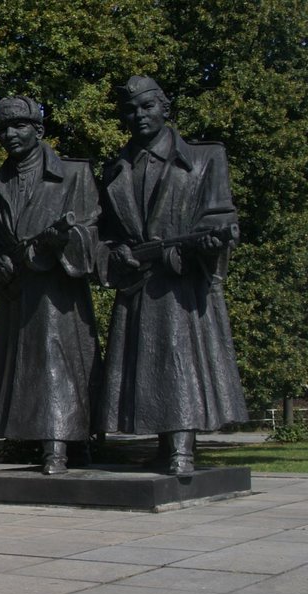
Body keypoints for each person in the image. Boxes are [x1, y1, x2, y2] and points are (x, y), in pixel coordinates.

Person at [97, 76, 248, 475]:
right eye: (130, 110)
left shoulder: (204, 157)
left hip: (181, 284)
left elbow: (219, 216)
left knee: (180, 362)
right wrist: (119, 254)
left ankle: (182, 448)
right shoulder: (115, 168)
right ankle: (164, 447)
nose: (139, 115)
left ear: (165, 108)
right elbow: (107, 233)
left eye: (147, 107)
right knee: (144, 366)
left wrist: (206, 245)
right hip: (138, 283)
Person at [0, 95, 102, 475]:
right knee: (24, 371)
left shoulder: (75, 174)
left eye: (19, 126)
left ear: (39, 130)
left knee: (58, 367)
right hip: (17, 293)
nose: (10, 135)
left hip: (58, 294)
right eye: (3, 130)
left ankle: (61, 448)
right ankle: (50, 446)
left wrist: (62, 243)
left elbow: (94, 231)